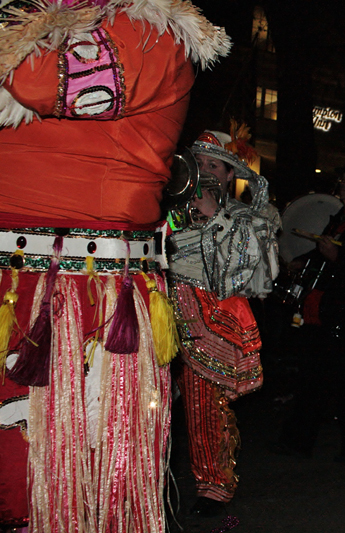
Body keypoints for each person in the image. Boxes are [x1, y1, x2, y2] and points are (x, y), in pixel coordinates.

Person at [0, 1, 230, 531]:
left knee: (52, 484)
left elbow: (46, 81)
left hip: (76, 300)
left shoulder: (149, 31)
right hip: (24, 290)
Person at [168, 126, 279, 517]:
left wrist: (214, 216)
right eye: (198, 162)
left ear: (230, 174)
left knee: (205, 407)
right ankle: (147, 478)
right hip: (160, 309)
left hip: (210, 317)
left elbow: (245, 274)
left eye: (213, 164)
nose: (204, 170)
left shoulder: (245, 217)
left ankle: (213, 487)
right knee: (151, 403)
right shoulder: (168, 207)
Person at [277, 156, 345, 462]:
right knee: (315, 378)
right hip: (327, 309)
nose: (344, 183)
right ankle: (299, 439)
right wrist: (305, 259)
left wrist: (337, 259)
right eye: (344, 178)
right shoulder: (340, 216)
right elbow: (326, 248)